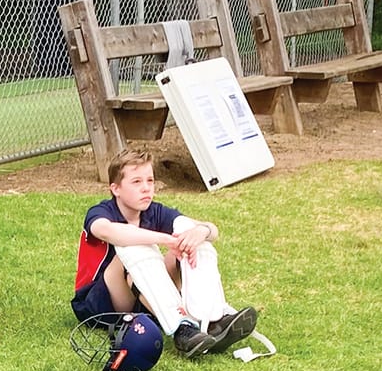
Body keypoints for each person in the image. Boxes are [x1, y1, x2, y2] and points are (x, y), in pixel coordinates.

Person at [72, 147, 259, 359]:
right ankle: (182, 328)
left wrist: (200, 232)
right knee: (135, 247)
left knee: (194, 241)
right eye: (136, 182)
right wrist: (164, 239)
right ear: (116, 189)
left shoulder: (154, 211)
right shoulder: (101, 212)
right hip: (101, 302)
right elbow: (106, 230)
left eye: (150, 181)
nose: (146, 188)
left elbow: (209, 229)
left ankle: (213, 320)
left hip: (141, 294)